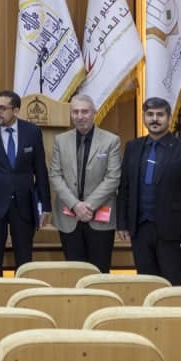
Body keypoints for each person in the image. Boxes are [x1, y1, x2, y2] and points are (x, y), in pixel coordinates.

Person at [116, 97, 181, 286]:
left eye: (160, 115)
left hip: (172, 231)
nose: (154, 119)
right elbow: (124, 188)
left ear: (169, 118)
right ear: (144, 118)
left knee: (173, 286)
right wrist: (122, 223)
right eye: (150, 114)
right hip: (140, 230)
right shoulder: (133, 147)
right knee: (146, 284)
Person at [0, 90, 51, 272]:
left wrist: (46, 206)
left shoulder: (32, 132)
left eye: (2, 108)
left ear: (16, 111)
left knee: (25, 261)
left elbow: (40, 170)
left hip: (24, 206)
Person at [48, 94, 121, 272]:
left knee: (100, 271)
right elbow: (55, 175)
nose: (80, 116)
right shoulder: (60, 140)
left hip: (100, 216)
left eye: (84, 112)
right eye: (75, 112)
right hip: (68, 217)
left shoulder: (111, 140)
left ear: (94, 113)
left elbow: (113, 178)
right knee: (75, 272)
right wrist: (75, 205)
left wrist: (88, 206)